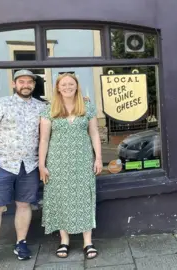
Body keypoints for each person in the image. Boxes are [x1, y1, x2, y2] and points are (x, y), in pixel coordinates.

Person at [0, 70, 46, 269]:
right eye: (22, 81)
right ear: (14, 84)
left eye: (29, 82)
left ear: (33, 85)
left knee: (24, 205)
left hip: (29, 165)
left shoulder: (41, 107)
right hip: (2, 165)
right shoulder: (1, 104)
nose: (26, 85)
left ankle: (21, 243)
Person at [38, 73, 102, 259]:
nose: (67, 87)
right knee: (61, 199)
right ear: (58, 88)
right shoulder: (49, 109)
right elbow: (43, 139)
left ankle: (87, 241)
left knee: (84, 197)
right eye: (63, 84)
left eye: (71, 84)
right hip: (57, 163)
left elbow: (95, 134)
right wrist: (42, 164)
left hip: (82, 161)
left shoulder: (87, 106)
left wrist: (98, 158)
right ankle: (64, 241)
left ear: (76, 86)